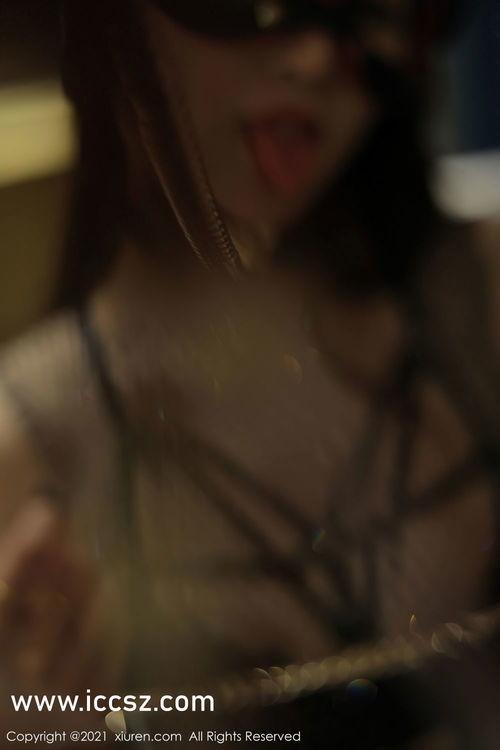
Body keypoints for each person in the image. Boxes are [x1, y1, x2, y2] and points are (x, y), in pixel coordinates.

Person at [0, 0, 499, 746]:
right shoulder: (35, 443)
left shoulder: (478, 296)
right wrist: (43, 722)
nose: (315, 60)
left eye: (373, 8)